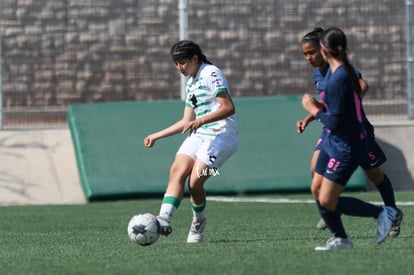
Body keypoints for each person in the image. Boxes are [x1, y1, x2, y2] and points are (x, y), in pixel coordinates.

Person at [297, 28, 403, 237]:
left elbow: (362, 85)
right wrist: (310, 117)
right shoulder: (318, 73)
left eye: (311, 53)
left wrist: (349, 106)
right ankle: (331, 206)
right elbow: (329, 104)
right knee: (314, 169)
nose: (308, 58)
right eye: (305, 54)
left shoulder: (341, 70)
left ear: (323, 49)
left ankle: (392, 213)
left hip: (355, 132)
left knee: (374, 173)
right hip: (331, 132)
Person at [143, 40, 238, 243]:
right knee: (177, 170)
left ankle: (198, 221)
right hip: (200, 133)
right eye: (176, 64)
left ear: (195, 58)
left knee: (195, 181)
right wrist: (156, 135)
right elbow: (187, 121)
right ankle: (163, 219)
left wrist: (201, 120)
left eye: (183, 63)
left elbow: (229, 107)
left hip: (223, 135)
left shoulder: (211, 73)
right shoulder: (191, 83)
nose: (179, 68)